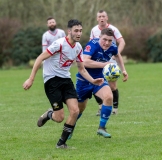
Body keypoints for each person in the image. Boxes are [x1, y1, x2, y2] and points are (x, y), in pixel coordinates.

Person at [22, 19, 104, 149]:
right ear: (69, 31)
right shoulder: (59, 44)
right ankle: (50, 114)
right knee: (59, 117)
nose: (79, 33)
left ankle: (61, 143)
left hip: (66, 80)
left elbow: (81, 69)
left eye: (81, 31)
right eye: (76, 31)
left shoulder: (78, 48)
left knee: (75, 111)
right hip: (52, 80)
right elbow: (40, 58)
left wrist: (93, 80)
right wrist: (31, 78)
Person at [68, 28, 128, 139]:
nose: (107, 43)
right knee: (79, 109)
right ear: (99, 37)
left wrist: (123, 69)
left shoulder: (113, 46)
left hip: (99, 79)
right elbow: (84, 62)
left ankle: (101, 128)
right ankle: (70, 128)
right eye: (104, 39)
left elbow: (118, 55)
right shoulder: (93, 45)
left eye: (110, 40)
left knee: (109, 97)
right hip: (84, 80)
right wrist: (104, 64)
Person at [90, 10, 126, 115]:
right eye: (99, 16)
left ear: (107, 18)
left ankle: (115, 109)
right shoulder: (93, 30)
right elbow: (91, 44)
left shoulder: (113, 29)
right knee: (95, 82)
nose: (101, 18)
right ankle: (101, 106)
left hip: (110, 61)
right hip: (97, 61)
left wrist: (117, 54)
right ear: (97, 19)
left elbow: (122, 41)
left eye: (103, 16)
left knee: (112, 85)